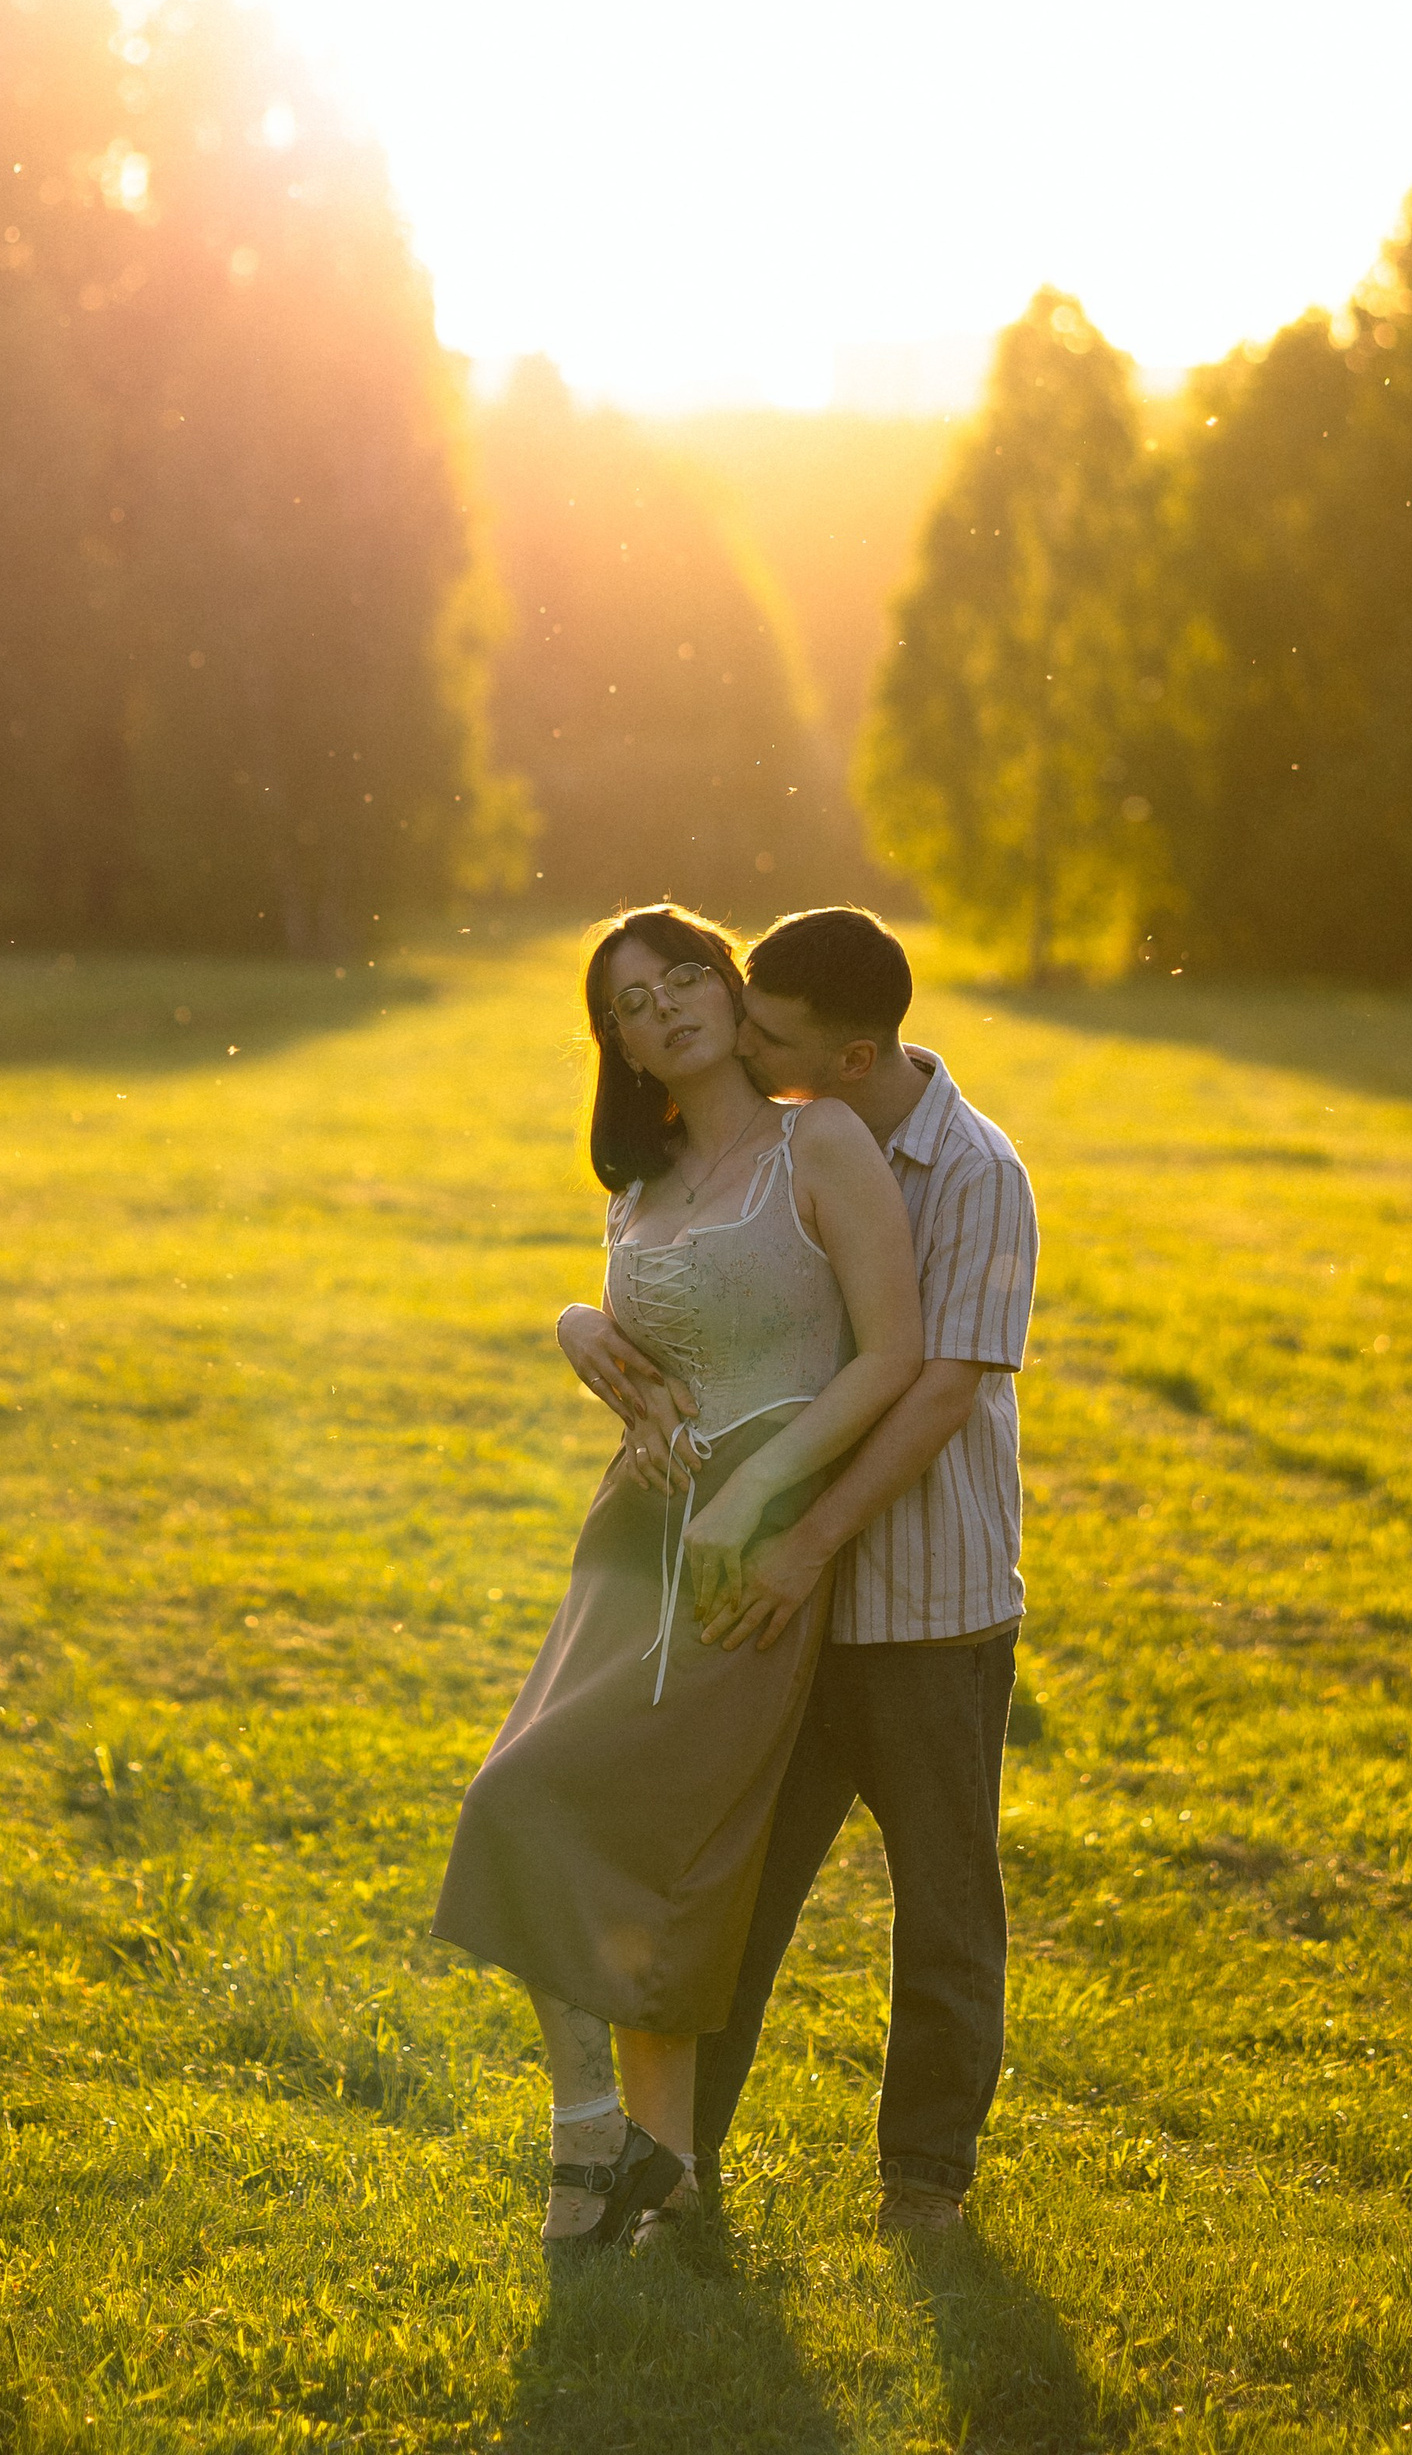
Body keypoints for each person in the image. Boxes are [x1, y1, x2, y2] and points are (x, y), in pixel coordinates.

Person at [432, 905, 924, 2260]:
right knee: (531, 1802)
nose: (663, 1010)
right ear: (618, 1048)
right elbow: (641, 1346)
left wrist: (765, 1501)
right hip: (633, 1539)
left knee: (606, 1826)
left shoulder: (817, 1138)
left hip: (749, 1545)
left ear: (727, 979)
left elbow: (890, 1354)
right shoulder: (636, 1188)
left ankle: (609, 2146)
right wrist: (575, 1321)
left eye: (681, 978)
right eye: (628, 1005)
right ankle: (644, 2162)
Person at [555, 906, 1037, 2237]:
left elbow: (938, 1392)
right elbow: (707, 1297)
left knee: (944, 1909)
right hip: (782, 1600)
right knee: (737, 1897)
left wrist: (808, 1541)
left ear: (858, 1053)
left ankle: (924, 2184)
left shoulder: (974, 1172)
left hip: (924, 1606)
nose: (744, 1049)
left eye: (772, 1037)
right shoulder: (782, 1147)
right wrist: (583, 1322)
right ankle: (679, 2166)